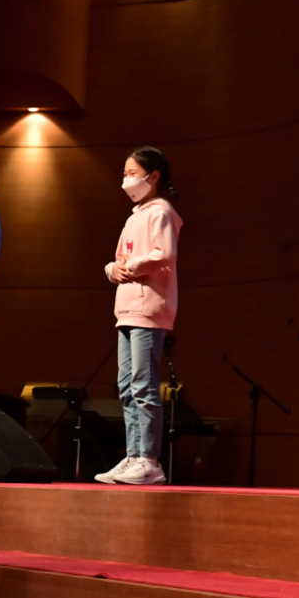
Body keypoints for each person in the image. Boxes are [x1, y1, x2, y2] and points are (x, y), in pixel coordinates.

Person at [97, 147, 182, 487]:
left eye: (132, 173)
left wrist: (129, 267)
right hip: (127, 309)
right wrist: (111, 269)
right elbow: (119, 258)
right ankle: (134, 455)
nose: (126, 180)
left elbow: (164, 252)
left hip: (148, 308)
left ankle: (149, 460)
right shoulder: (135, 215)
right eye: (125, 174)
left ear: (153, 176)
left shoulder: (160, 211)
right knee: (127, 386)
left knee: (144, 385)